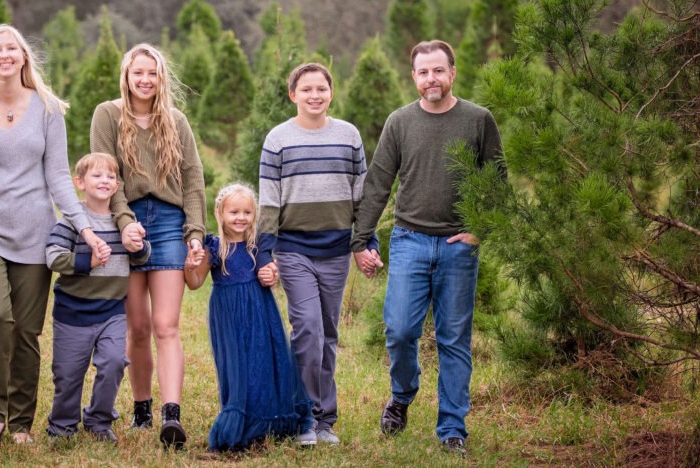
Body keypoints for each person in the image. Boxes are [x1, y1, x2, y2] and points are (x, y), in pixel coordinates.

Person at [0, 24, 107, 450]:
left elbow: (58, 176)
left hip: (36, 236)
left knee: (26, 331)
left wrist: (86, 229)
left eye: (11, 48)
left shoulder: (47, 108)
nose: (4, 55)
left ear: (23, 56)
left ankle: (20, 423)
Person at [352, 39, 504, 458]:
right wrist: (361, 240)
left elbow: (497, 179)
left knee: (454, 338)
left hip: (459, 246)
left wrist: (482, 229)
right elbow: (379, 182)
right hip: (409, 241)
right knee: (400, 330)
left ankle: (452, 427)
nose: (431, 79)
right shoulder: (400, 122)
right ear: (414, 77)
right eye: (423, 72)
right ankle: (401, 397)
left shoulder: (478, 120)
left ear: (452, 73)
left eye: (439, 70)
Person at [90, 43, 205, 449]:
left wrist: (194, 232)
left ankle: (171, 414)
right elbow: (107, 174)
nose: (145, 80)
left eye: (152, 73)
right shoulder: (107, 115)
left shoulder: (176, 120)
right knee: (136, 327)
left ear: (160, 78)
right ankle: (142, 408)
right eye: (138, 72)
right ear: (126, 76)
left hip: (171, 223)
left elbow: (193, 181)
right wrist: (123, 224)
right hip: (129, 221)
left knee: (166, 326)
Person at [257, 62, 373, 445]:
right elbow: (269, 201)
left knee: (327, 333)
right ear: (293, 95)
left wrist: (365, 241)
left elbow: (362, 194)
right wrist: (265, 251)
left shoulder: (349, 135)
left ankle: (325, 421)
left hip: (336, 249)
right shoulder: (278, 139)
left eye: (321, 89)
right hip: (293, 248)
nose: (314, 95)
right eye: (306, 89)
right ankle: (304, 415)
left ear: (331, 92)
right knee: (307, 328)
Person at [184, 183, 317, 452]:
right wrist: (189, 266)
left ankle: (271, 421)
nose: (241, 218)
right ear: (220, 213)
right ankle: (241, 421)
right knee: (237, 368)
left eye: (247, 212)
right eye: (234, 212)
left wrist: (272, 276)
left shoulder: (257, 246)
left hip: (260, 311)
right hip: (228, 316)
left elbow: (269, 275)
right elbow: (195, 282)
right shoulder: (213, 246)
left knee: (264, 361)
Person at [45, 153, 151, 444]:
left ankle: (99, 420)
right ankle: (62, 425)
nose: (105, 180)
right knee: (68, 373)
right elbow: (53, 257)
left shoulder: (122, 222)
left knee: (114, 362)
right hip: (73, 313)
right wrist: (87, 262)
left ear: (117, 186)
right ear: (80, 182)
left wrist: (139, 245)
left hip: (112, 312)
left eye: (110, 176)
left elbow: (141, 255)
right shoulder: (72, 221)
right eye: (96, 175)